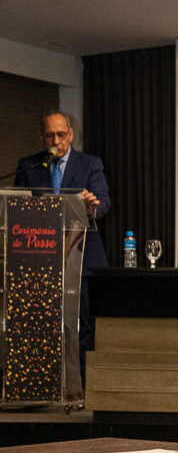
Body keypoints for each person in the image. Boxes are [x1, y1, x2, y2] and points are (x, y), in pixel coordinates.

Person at [15, 111, 110, 376]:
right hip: (40, 260)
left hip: (82, 259)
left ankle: (82, 385)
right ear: (41, 137)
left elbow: (103, 204)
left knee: (83, 326)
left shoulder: (90, 164)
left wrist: (91, 207)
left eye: (61, 134)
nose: (56, 141)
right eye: (50, 136)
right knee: (42, 326)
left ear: (70, 134)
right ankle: (44, 381)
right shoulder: (29, 166)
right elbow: (17, 208)